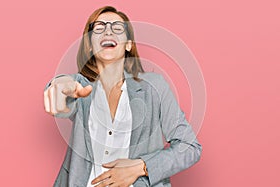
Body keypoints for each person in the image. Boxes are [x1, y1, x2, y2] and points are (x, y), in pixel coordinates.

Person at [44, 6, 202, 187]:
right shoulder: (81, 87)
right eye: (99, 28)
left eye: (117, 28)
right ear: (89, 45)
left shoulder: (154, 87)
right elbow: (63, 91)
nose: (108, 31)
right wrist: (58, 88)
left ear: (128, 44)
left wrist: (141, 167)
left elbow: (190, 147)